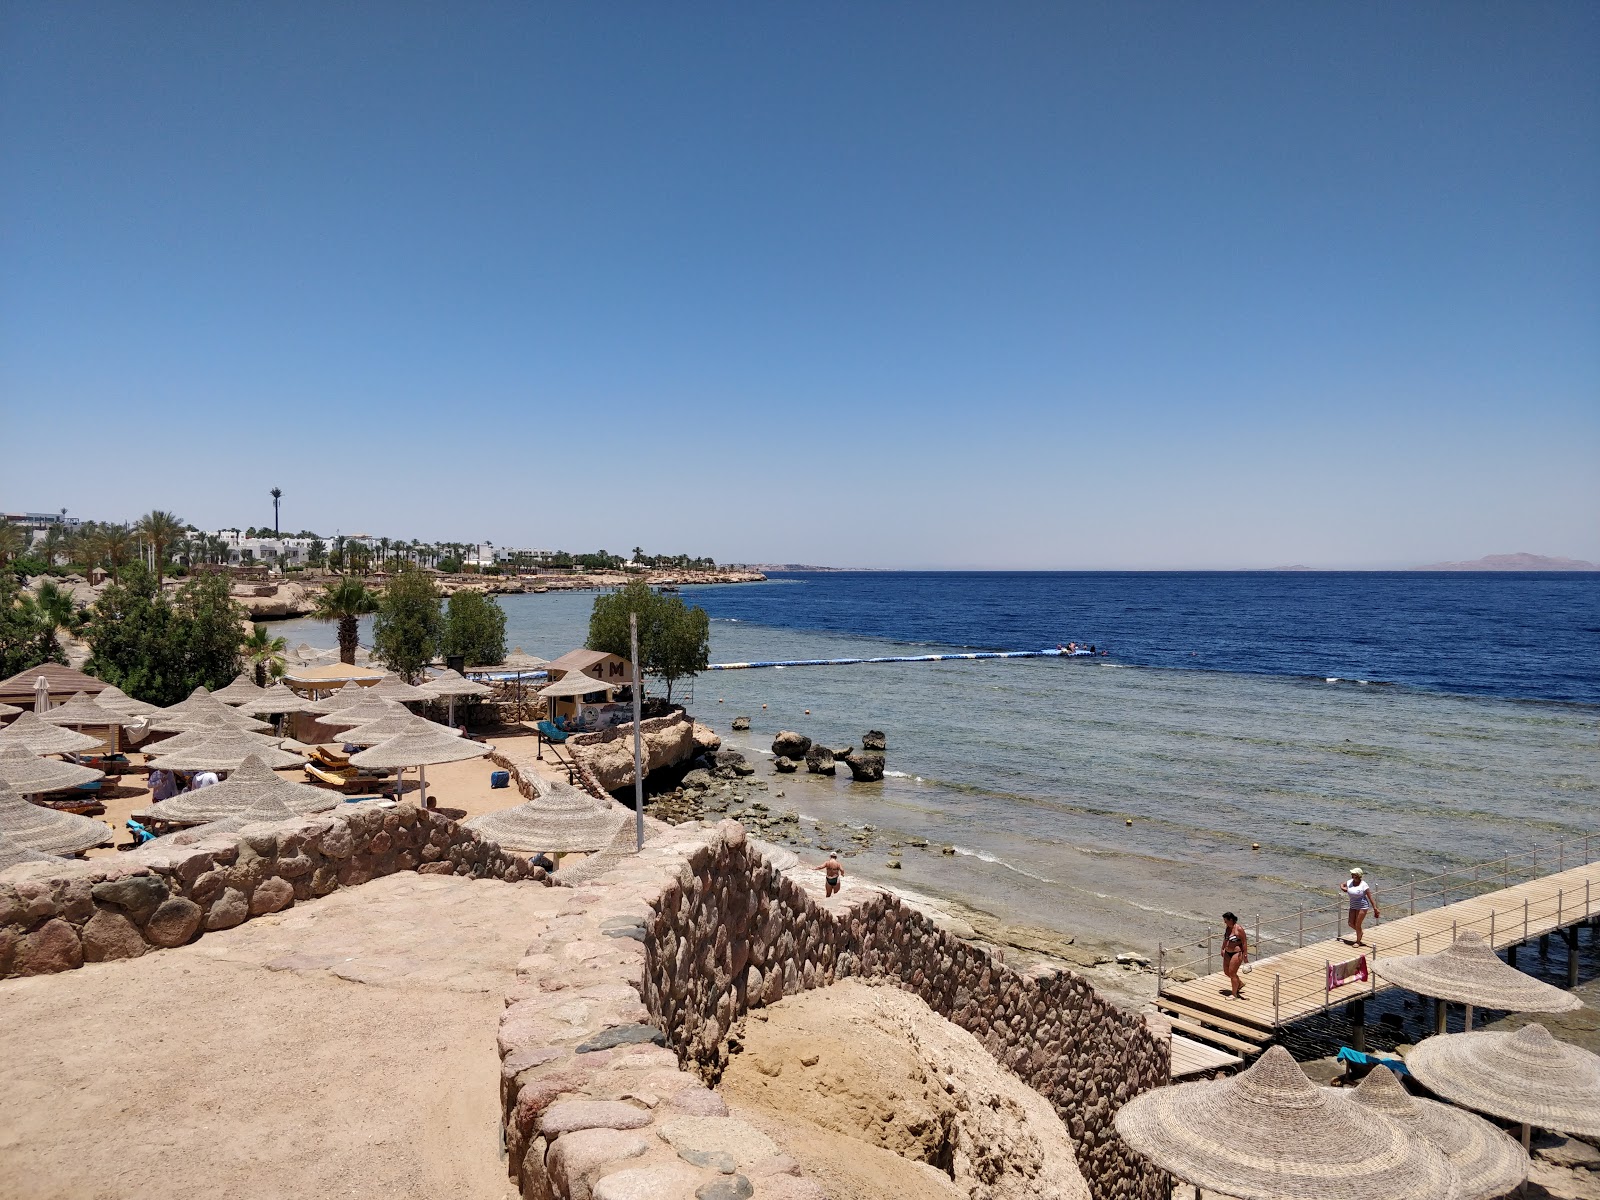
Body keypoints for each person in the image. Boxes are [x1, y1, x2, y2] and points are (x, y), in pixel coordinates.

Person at [1341, 867, 1380, 946]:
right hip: (1353, 905)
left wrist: (1375, 908)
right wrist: (1343, 888)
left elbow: (1370, 897)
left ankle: (1358, 941)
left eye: (1354, 874)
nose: (1352, 875)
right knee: (1350, 923)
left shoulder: (1364, 885)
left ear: (1358, 875)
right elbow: (1342, 884)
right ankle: (1360, 932)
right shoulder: (1349, 882)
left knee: (1358, 924)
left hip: (1362, 906)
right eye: (1352, 874)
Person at [1220, 911, 1248, 999]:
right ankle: (1239, 983)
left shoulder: (1239, 929)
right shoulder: (1228, 928)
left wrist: (1245, 954)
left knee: (1232, 973)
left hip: (1237, 953)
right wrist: (1222, 948)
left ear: (1231, 920)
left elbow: (1244, 942)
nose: (1224, 922)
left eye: (1226, 920)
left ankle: (1234, 994)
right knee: (1226, 972)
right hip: (1228, 952)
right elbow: (1226, 939)